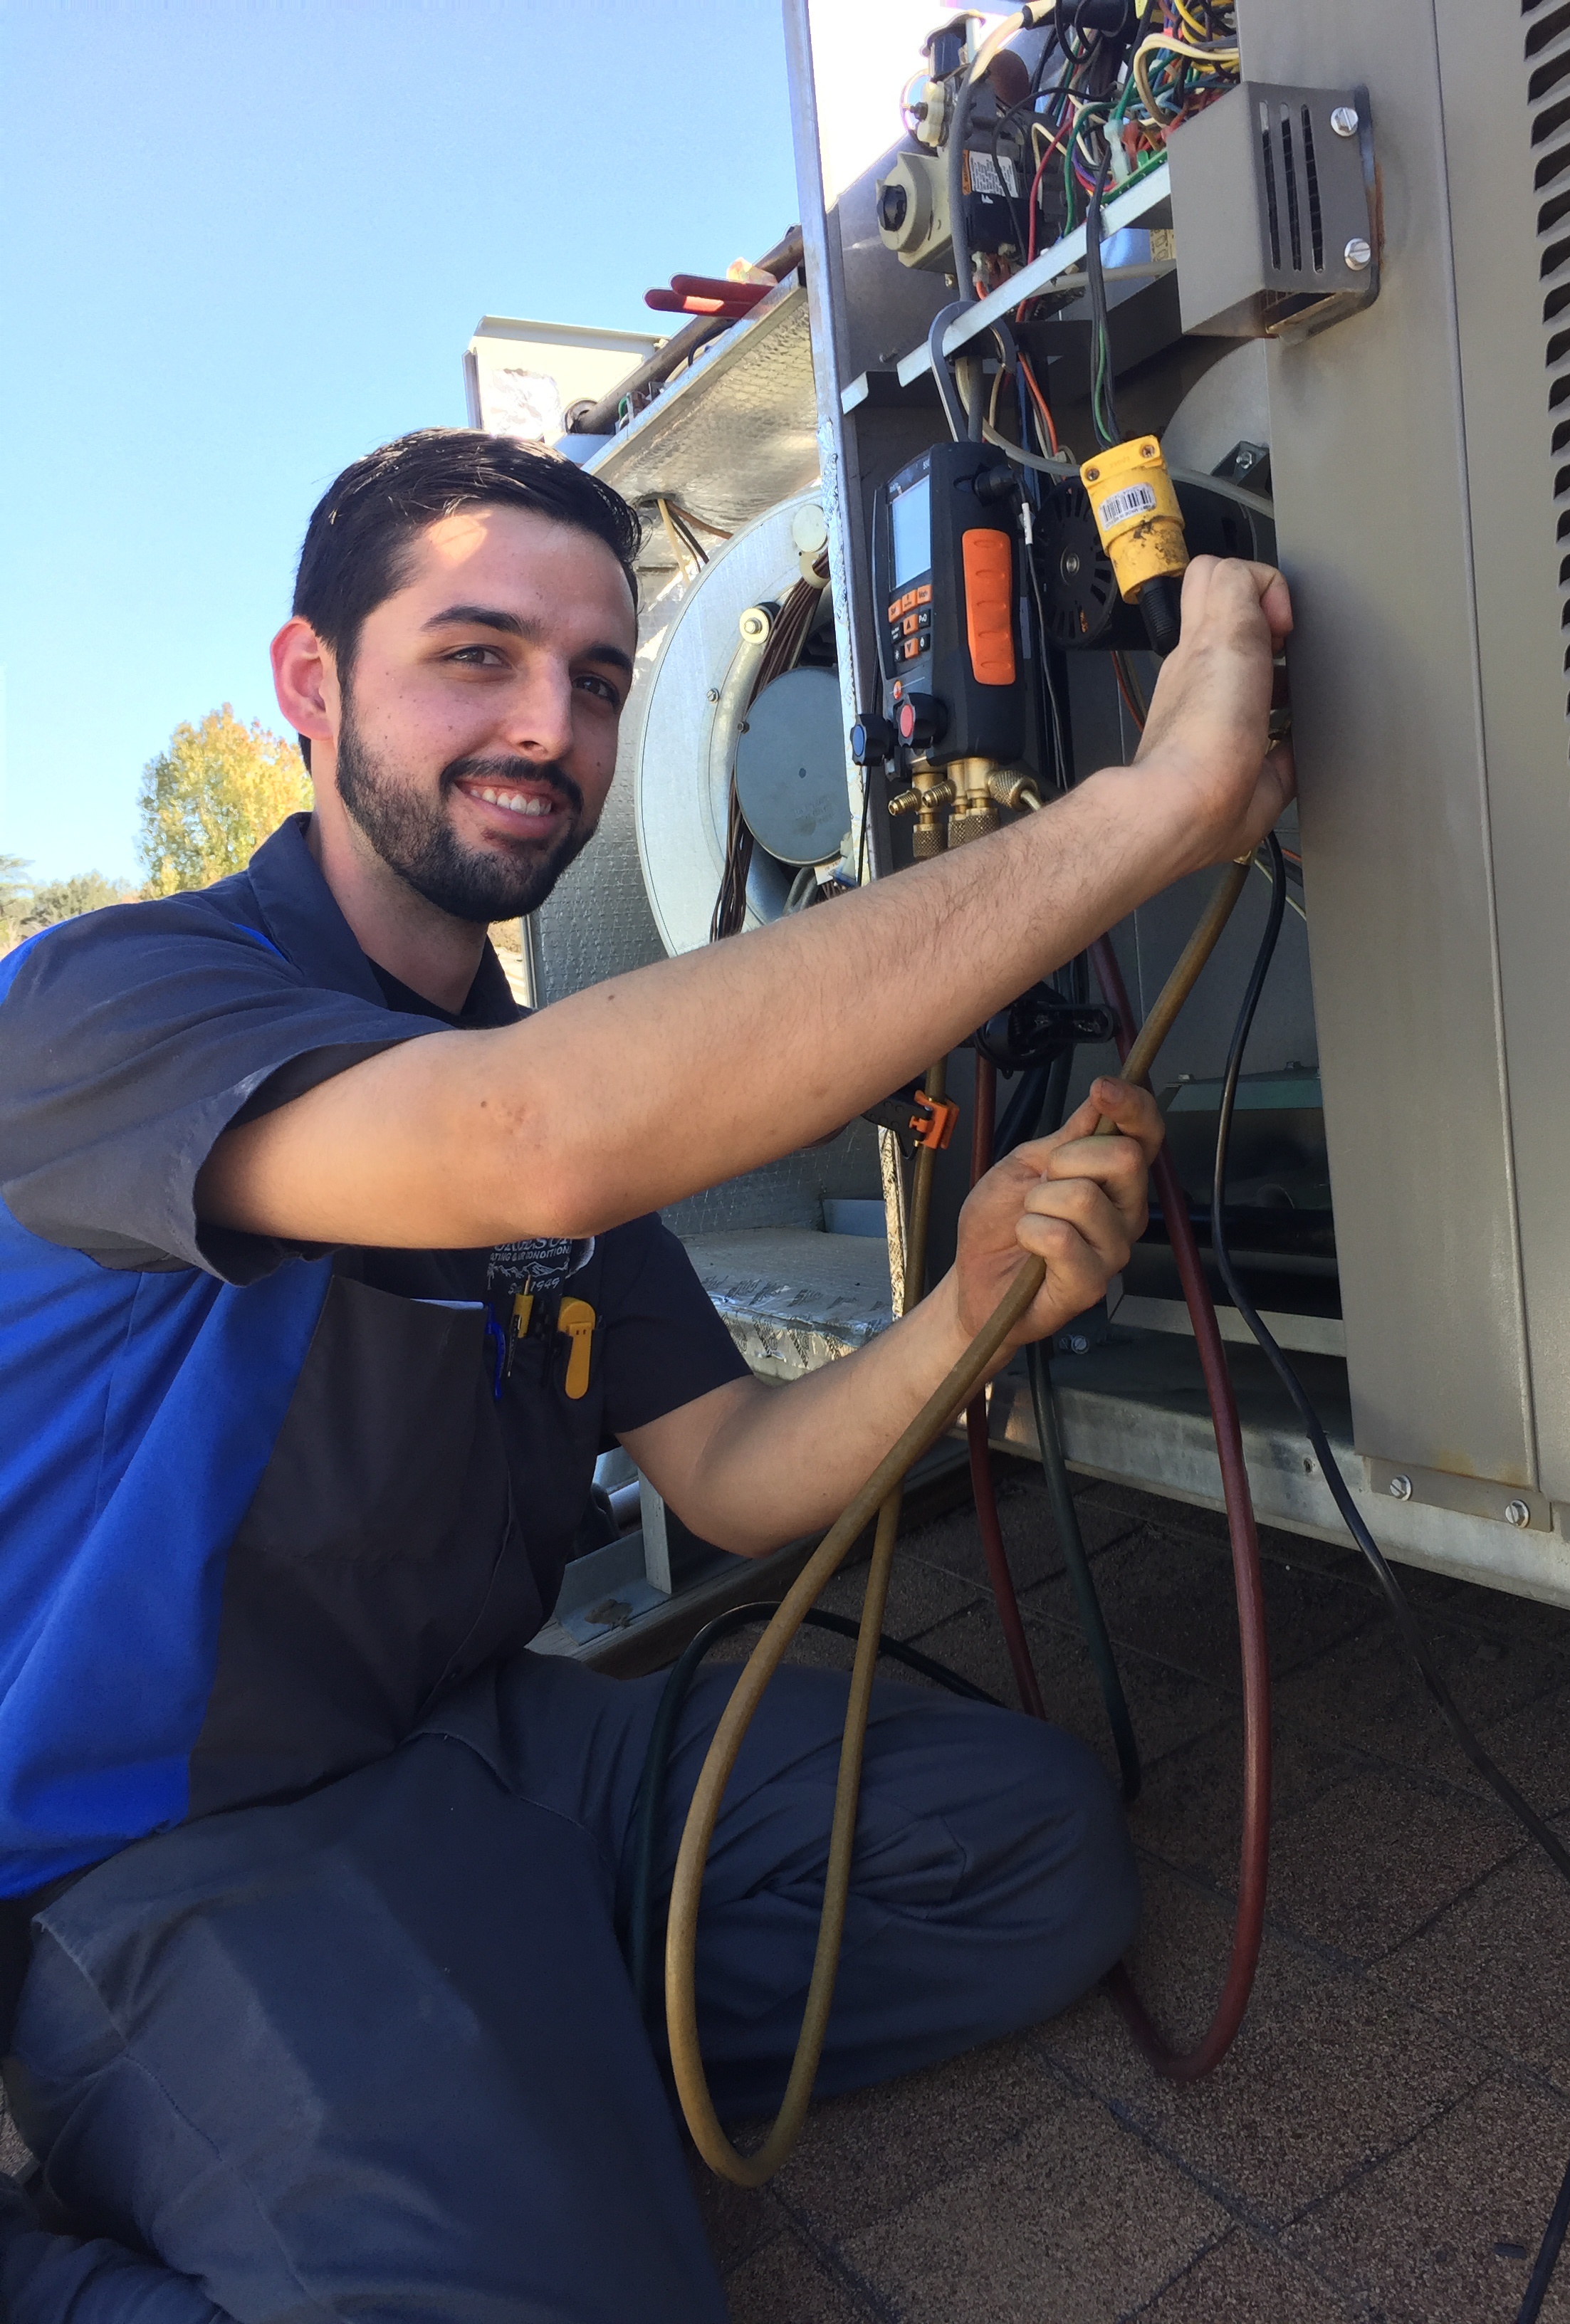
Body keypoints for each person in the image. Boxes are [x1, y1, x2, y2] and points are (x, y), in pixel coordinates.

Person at [0, 429, 1292, 2322]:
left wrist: (969, 1307)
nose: (553, 725)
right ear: (310, 684)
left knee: (1028, 1863)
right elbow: (522, 1140)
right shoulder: (110, 1003)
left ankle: (505, 2066)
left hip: (500, 1755)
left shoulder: (539, 1072)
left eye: (598, 680)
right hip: (176, 1849)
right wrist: (1153, 809)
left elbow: (734, 1468)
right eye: (478, 655)